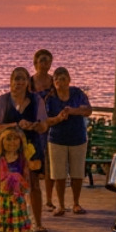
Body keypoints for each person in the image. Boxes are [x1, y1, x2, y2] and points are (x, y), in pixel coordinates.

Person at [0, 68, 49, 231]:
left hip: (31, 146)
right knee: (9, 184)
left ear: (27, 82)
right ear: (11, 81)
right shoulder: (4, 100)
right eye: (16, 79)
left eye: (23, 79)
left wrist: (35, 125)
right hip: (10, 149)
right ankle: (10, 220)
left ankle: (38, 223)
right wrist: (16, 125)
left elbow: (44, 125)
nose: (19, 82)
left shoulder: (36, 99)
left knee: (34, 184)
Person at [45, 68, 92, 216]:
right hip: (57, 139)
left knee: (77, 173)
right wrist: (58, 118)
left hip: (78, 138)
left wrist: (72, 111)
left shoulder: (77, 93)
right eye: (56, 79)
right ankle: (61, 205)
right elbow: (45, 120)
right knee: (59, 174)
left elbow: (88, 110)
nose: (60, 82)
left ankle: (76, 203)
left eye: (63, 79)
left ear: (69, 80)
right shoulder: (50, 98)